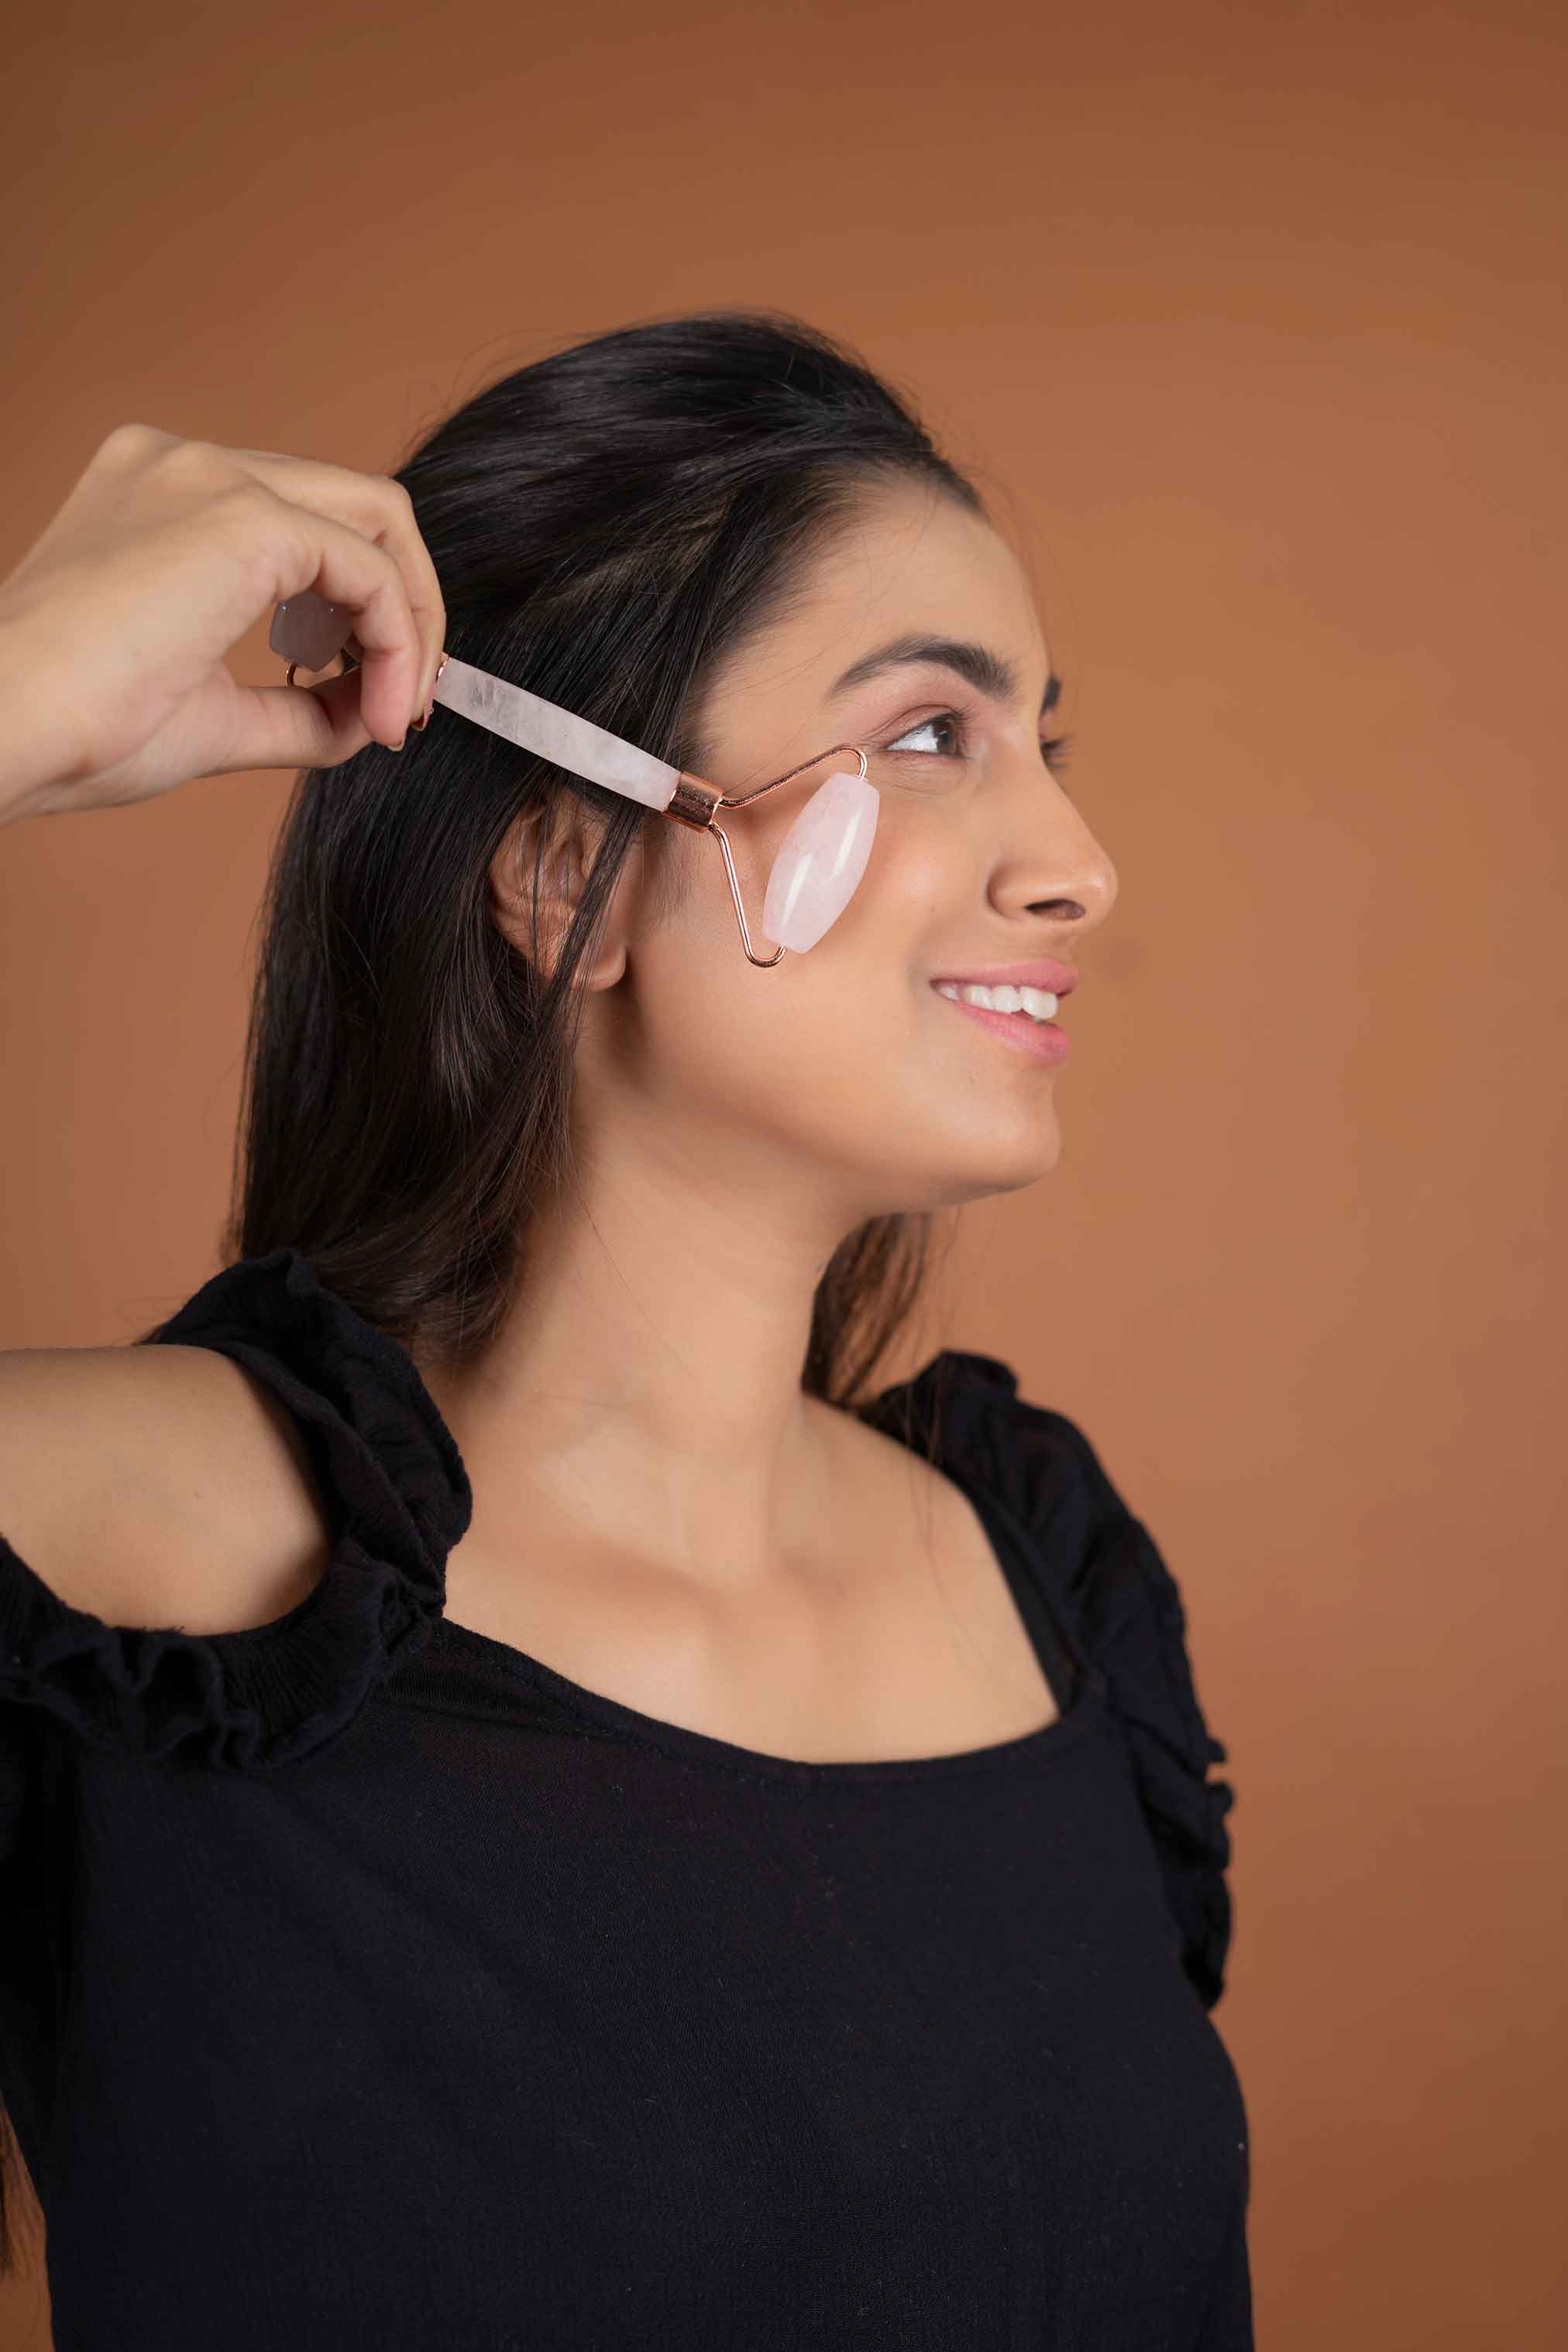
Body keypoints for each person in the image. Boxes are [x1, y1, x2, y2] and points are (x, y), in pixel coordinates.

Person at [0, 310, 1250, 2349]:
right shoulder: (127, 1558)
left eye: (1047, 741)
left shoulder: (1039, 1576)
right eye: (929, 734)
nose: (1079, 866)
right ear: (567, 859)